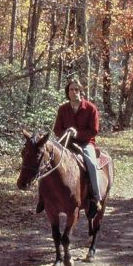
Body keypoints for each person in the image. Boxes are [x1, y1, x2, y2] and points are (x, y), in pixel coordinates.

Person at [53, 78, 103, 217]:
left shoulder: (91, 108)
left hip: (85, 143)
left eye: (77, 89)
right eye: (71, 89)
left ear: (81, 91)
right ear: (67, 92)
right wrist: (67, 132)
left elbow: (94, 130)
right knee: (49, 159)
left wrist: (78, 134)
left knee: (91, 163)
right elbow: (57, 129)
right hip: (66, 143)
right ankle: (44, 197)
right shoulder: (63, 109)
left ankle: (96, 196)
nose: (74, 92)